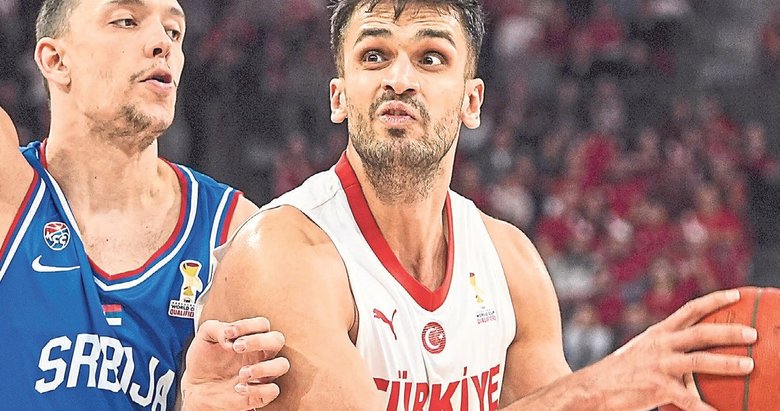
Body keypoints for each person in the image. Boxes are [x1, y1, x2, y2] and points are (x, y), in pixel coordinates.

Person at [195, 0, 756, 410]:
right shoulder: (282, 254)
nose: (399, 79)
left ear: (472, 100)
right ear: (339, 96)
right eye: (374, 55)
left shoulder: (509, 261)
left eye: (431, 57)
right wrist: (602, 387)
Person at [0, 1, 287, 409]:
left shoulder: (234, 233)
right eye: (126, 21)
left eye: (174, 31)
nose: (161, 43)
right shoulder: (10, 194)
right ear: (56, 60)